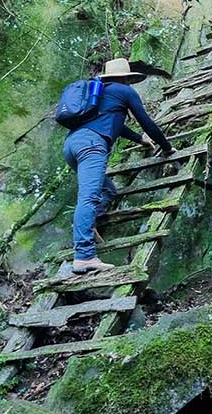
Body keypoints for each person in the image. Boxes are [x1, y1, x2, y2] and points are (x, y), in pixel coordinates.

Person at [62, 57, 175, 273]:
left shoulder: (98, 93)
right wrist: (167, 147)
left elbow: (116, 125)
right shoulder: (125, 92)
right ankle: (84, 256)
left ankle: (85, 224)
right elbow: (147, 123)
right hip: (92, 145)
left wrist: (138, 139)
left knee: (107, 190)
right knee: (89, 197)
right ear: (126, 78)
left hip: (72, 145)